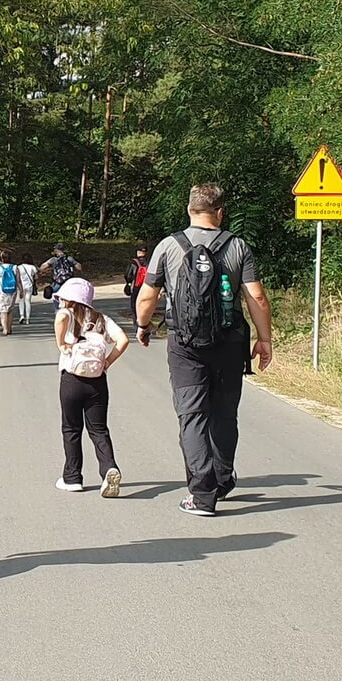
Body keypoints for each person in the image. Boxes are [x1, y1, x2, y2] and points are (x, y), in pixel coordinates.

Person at [135, 183, 273, 517]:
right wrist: (264, 339)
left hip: (185, 343)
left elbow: (148, 295)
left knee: (192, 414)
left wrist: (143, 325)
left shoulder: (168, 246)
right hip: (230, 342)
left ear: (189, 209)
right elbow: (256, 297)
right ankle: (222, 481)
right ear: (220, 212)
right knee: (225, 413)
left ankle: (201, 495)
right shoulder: (238, 246)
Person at [53, 278, 129, 497]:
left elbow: (60, 317)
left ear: (69, 298)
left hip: (72, 379)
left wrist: (61, 344)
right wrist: (107, 362)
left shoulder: (67, 314)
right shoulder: (102, 319)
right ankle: (109, 468)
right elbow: (123, 340)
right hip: (97, 381)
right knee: (99, 429)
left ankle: (72, 478)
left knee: (71, 429)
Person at [0, 248, 25, 336]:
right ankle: (9, 327)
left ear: (2, 258)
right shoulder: (15, 267)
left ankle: (5, 329)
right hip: (12, 290)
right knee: (10, 310)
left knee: (3, 310)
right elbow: (18, 281)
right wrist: (21, 291)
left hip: (1, 291)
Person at [40, 243, 82, 310]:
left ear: (56, 250)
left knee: (56, 296)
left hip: (58, 282)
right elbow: (79, 267)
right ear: (63, 250)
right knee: (69, 298)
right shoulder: (69, 258)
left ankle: (58, 311)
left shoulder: (53, 259)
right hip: (68, 283)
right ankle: (69, 310)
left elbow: (42, 267)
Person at [124, 245, 149, 329]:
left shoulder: (134, 262)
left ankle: (136, 324)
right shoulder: (150, 262)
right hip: (146, 287)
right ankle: (144, 324)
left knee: (134, 305)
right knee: (145, 305)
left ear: (138, 252)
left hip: (136, 287)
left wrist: (128, 283)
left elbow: (128, 275)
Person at [16, 253, 38, 325]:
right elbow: (36, 277)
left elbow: (17, 278)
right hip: (29, 286)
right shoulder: (32, 267)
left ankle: (22, 315)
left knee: (21, 301)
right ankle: (28, 319)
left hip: (21, 286)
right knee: (28, 301)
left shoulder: (19, 267)